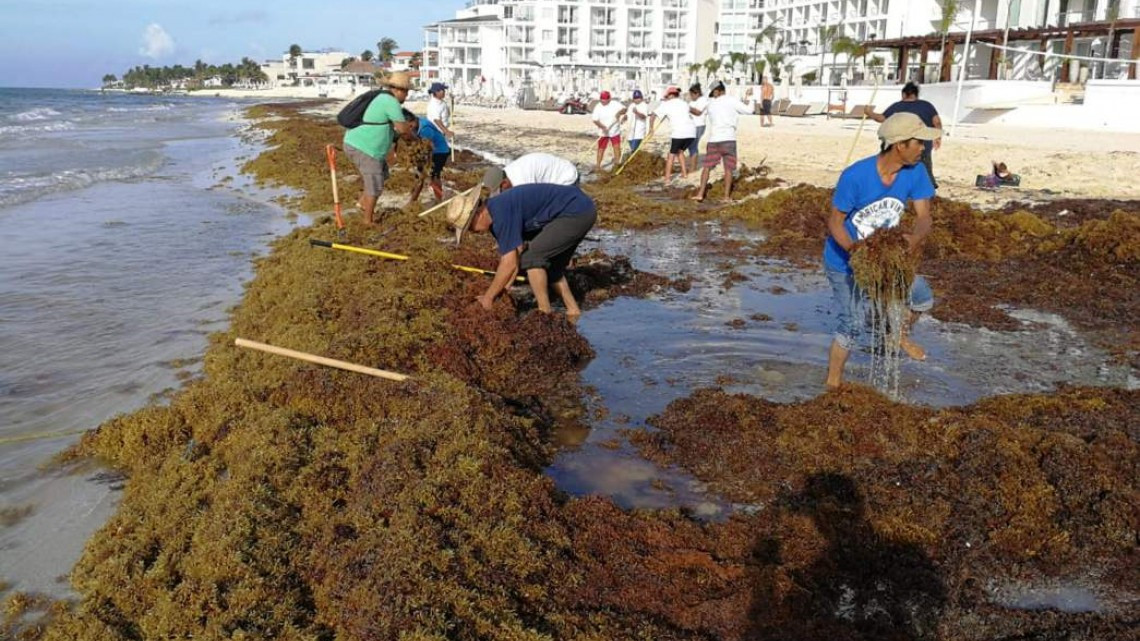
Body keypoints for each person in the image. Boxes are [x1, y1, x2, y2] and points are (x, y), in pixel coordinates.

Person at [823, 112, 939, 389]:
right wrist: (857, 252)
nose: (923, 148)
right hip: (844, 261)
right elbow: (834, 222)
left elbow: (924, 217)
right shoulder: (856, 176)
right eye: (919, 143)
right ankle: (832, 385)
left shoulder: (916, 172)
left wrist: (914, 239)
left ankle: (896, 334)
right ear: (900, 145)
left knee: (922, 299)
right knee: (852, 325)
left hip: (888, 257)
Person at [447, 183, 597, 317]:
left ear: (478, 214)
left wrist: (488, 298)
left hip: (576, 212)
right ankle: (573, 311)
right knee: (551, 267)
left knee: (532, 258)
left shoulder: (500, 213)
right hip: (579, 208)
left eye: (470, 227)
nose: (473, 232)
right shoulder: (496, 212)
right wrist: (504, 288)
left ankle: (544, 314)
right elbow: (516, 252)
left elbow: (509, 263)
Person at [342, 71, 414, 226]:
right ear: (398, 90)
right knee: (374, 184)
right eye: (406, 92)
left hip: (367, 148)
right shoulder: (390, 102)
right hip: (364, 148)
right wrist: (414, 141)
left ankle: (363, 204)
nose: (406, 96)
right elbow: (403, 129)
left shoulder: (382, 98)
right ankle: (367, 221)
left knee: (382, 176)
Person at [866, 82, 942, 188]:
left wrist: (869, 112)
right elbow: (937, 122)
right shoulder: (927, 105)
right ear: (916, 94)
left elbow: (881, 119)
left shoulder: (897, 106)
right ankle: (928, 190)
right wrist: (937, 137)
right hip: (923, 145)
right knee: (925, 172)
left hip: (900, 147)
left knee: (900, 173)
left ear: (903, 94)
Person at [691, 82, 755, 203]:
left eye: (713, 93)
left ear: (717, 91)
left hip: (714, 139)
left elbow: (699, 113)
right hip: (729, 139)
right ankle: (726, 197)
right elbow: (749, 110)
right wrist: (751, 97)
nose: (713, 95)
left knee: (707, 167)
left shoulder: (710, 104)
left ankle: (700, 194)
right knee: (728, 169)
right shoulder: (731, 100)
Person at [400, 108, 450, 204]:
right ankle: (413, 200)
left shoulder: (425, 129)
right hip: (431, 151)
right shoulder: (417, 123)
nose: (410, 129)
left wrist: (422, 165)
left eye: (410, 126)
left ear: (412, 121)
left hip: (439, 152)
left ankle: (439, 200)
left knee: (434, 176)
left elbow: (428, 147)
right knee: (419, 177)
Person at [649, 86, 697, 183]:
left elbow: (653, 115)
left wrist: (651, 129)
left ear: (670, 95)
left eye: (667, 96)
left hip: (679, 133)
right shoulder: (684, 103)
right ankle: (684, 174)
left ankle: (667, 179)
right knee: (680, 151)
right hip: (692, 132)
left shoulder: (666, 104)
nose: (666, 97)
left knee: (671, 155)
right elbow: (692, 111)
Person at [481, 152, 579, 195]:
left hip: (565, 178)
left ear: (504, 184)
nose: (502, 194)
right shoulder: (506, 172)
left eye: (501, 191)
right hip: (550, 176)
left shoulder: (523, 182)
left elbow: (534, 202)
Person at [591, 90, 627, 171]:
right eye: (602, 100)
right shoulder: (598, 106)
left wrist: (619, 113)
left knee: (616, 147)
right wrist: (603, 127)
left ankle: (617, 164)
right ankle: (598, 166)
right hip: (603, 132)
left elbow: (625, 109)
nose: (603, 102)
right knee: (601, 148)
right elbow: (595, 120)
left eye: (605, 101)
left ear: (609, 99)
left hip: (614, 130)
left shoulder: (615, 103)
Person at [687, 83, 709, 172]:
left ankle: (693, 168)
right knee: (690, 146)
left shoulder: (703, 100)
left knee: (693, 146)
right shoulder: (693, 101)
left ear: (696, 93)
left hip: (699, 125)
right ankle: (692, 166)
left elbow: (698, 112)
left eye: (691, 95)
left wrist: (686, 107)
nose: (691, 96)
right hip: (692, 126)